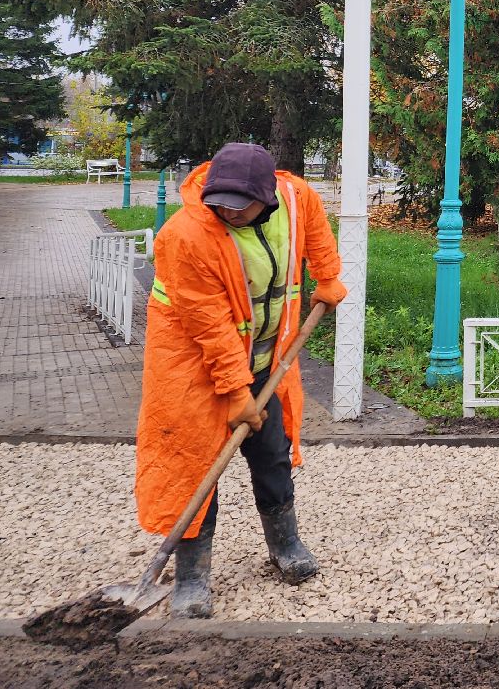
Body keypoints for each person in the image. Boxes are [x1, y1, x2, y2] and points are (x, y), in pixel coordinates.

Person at [135, 142, 347, 618]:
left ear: (267, 196)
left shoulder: (294, 197)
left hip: (264, 364)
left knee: (272, 454)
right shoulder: (185, 235)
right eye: (219, 204)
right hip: (192, 369)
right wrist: (234, 393)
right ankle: (191, 575)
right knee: (194, 467)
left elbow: (315, 232)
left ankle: (285, 544)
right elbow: (209, 325)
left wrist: (329, 276)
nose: (226, 213)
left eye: (239, 206)